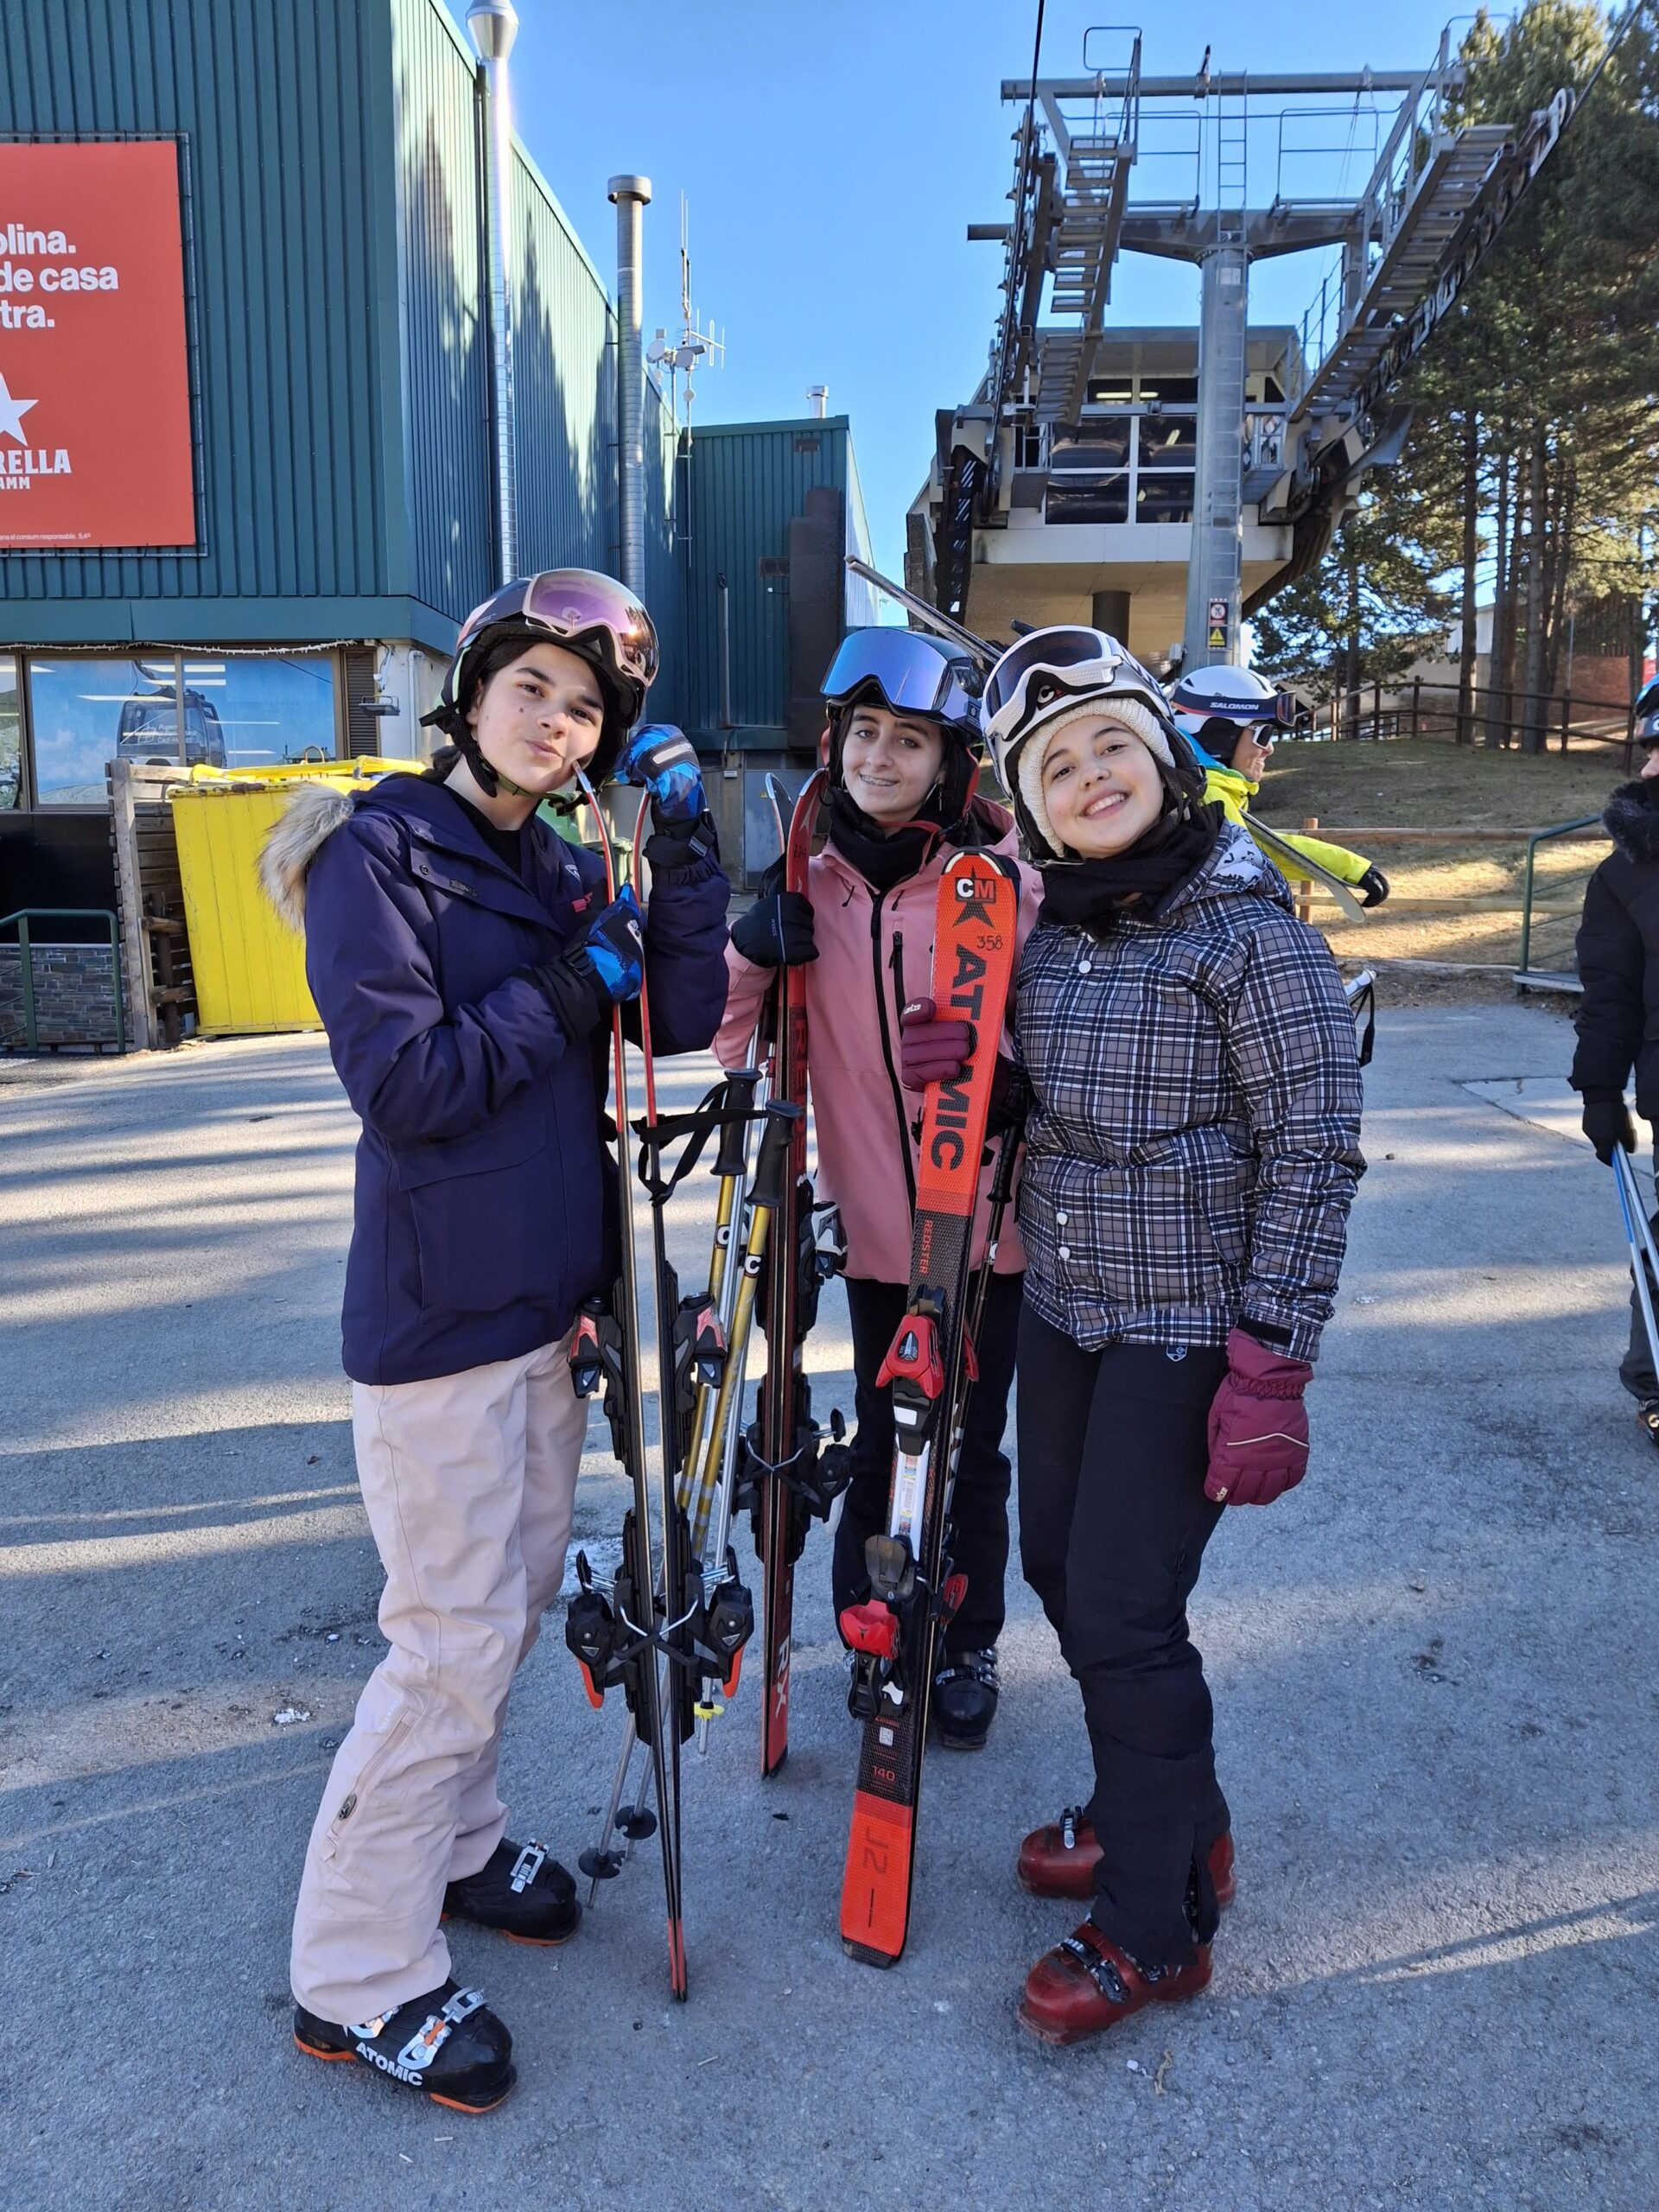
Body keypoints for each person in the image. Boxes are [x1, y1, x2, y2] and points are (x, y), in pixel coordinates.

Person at [260, 570, 729, 2113]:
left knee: (508, 1613)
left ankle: (456, 1849)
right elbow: (409, 1088)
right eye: (532, 686)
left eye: (586, 707)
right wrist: (566, 984)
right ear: (471, 693)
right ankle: (353, 1977)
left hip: (544, 1310)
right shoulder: (378, 855)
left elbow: (671, 1017)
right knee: (449, 1644)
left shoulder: (562, 864)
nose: (556, 721)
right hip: (440, 1324)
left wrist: (687, 854)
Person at [977, 627, 1363, 2045]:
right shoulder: (1056, 926)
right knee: (1059, 1570)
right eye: (1056, 767)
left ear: (1164, 756)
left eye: (1111, 748)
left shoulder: (1251, 934)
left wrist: (1273, 1359)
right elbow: (1043, 1098)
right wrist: (985, 1086)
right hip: (1068, 1305)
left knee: (1126, 1609)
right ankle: (1176, 1820)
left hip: (1191, 1319)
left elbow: (1313, 1153)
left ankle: (1157, 1925)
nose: (1090, 778)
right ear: (1033, 804)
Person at [712, 628, 1042, 1749]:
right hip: (870, 1235)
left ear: (950, 763)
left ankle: (968, 1637)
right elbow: (730, 1046)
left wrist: (1007, 1078)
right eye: (864, 734)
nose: (879, 758)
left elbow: (1058, 1035)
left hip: (984, 1233)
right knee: (881, 1440)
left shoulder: (1004, 887)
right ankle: (875, 1624)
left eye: (908, 740)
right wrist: (754, 948)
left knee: (971, 1448)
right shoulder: (810, 886)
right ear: (834, 742)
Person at [1570, 681, 1659, 1446]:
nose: (1652, 767)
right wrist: (1601, 1089)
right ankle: (1656, 1378)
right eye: (1651, 749)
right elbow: (1612, 992)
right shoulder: (1627, 870)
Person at [1167, 664, 1390, 908]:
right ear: (1219, 733)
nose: (1269, 748)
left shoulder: (1193, 786)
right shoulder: (1206, 796)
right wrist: (1351, 868)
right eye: (1263, 734)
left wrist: (1350, 868)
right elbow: (1256, 854)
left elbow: (1261, 845)